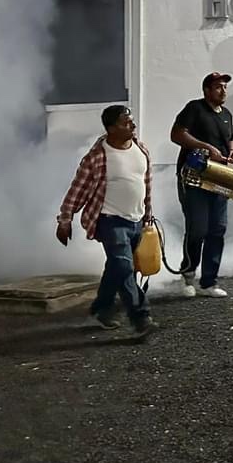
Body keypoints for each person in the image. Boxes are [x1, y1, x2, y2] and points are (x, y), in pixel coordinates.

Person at [56, 105, 157, 334]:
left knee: (116, 268)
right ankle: (141, 317)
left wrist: (148, 214)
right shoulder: (97, 157)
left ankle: (101, 309)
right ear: (111, 128)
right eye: (126, 123)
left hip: (136, 220)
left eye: (132, 121)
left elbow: (146, 185)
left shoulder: (141, 149)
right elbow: (78, 190)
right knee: (124, 266)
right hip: (109, 221)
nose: (133, 125)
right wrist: (65, 220)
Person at [170, 72, 233, 298]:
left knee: (217, 228)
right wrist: (206, 147)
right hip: (194, 177)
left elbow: (230, 138)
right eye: (218, 87)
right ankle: (188, 275)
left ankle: (209, 282)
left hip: (219, 177)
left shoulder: (226, 114)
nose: (223, 91)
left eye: (225, 87)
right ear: (206, 90)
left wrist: (232, 151)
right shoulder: (194, 108)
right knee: (198, 228)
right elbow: (177, 134)